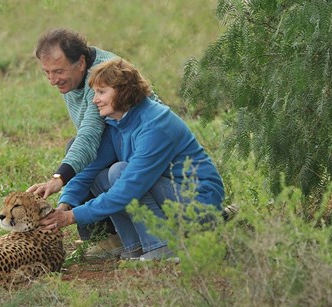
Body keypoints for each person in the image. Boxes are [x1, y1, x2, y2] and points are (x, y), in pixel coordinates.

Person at [39, 58, 225, 261]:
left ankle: (164, 246)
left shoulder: (156, 123)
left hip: (199, 206)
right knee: (101, 176)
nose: (95, 100)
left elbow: (129, 188)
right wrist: (64, 205)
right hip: (169, 197)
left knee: (119, 172)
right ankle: (135, 245)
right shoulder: (117, 121)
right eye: (94, 93)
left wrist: (71, 217)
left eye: (101, 92)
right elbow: (89, 170)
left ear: (123, 91)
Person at [27, 28, 160, 258]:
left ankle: (155, 241)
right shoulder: (71, 79)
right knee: (88, 163)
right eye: (46, 72)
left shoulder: (102, 76)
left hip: (145, 156)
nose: (52, 80)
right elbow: (92, 144)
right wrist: (64, 205)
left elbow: (89, 137)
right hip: (117, 146)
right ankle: (112, 237)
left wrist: (60, 180)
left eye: (58, 71)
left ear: (81, 63)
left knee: (109, 169)